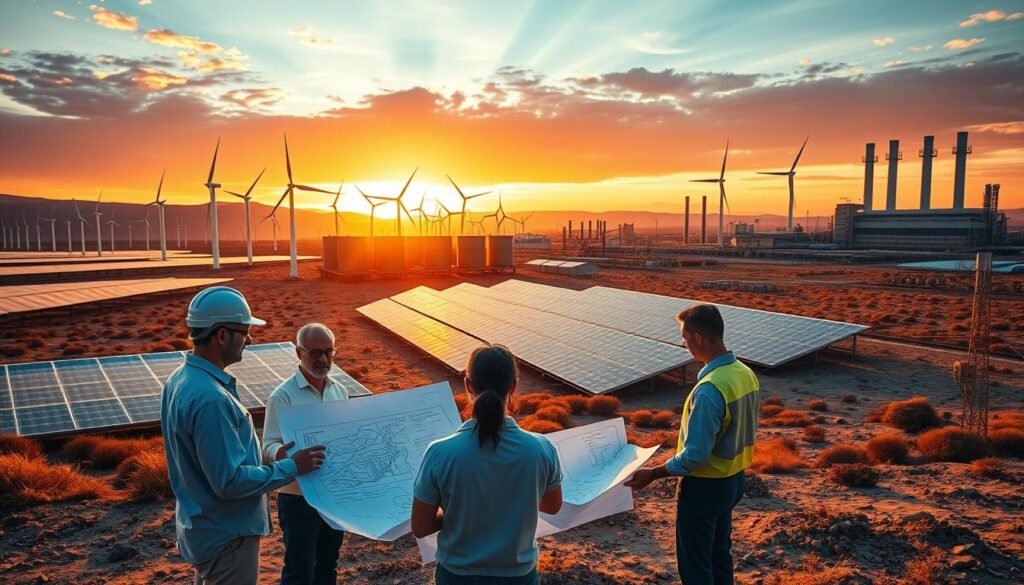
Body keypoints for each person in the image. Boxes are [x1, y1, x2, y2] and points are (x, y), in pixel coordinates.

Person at [161, 286, 326, 585]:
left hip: (203, 528)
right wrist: (292, 466)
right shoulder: (211, 399)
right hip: (227, 538)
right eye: (244, 332)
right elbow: (230, 482)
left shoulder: (179, 380)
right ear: (222, 336)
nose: (249, 340)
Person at [625, 304, 760, 585]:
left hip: (704, 487)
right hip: (734, 480)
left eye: (685, 338)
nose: (683, 344)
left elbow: (695, 455)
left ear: (698, 338)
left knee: (696, 567)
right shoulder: (743, 372)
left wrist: (654, 473)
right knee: (719, 555)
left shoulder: (710, 389)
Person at [411, 345, 563, 585]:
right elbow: (552, 506)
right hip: (519, 577)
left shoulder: (439, 453)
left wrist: (458, 513)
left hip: (457, 576)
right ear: (513, 386)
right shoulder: (541, 448)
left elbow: (420, 526)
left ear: (468, 385)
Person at [261, 323, 349, 585]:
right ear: (299, 353)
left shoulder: (339, 391)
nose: (323, 359)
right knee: (299, 570)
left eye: (328, 352)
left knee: (328, 565)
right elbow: (267, 446)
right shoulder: (283, 397)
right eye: (315, 353)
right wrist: (289, 457)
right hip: (298, 498)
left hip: (332, 495)